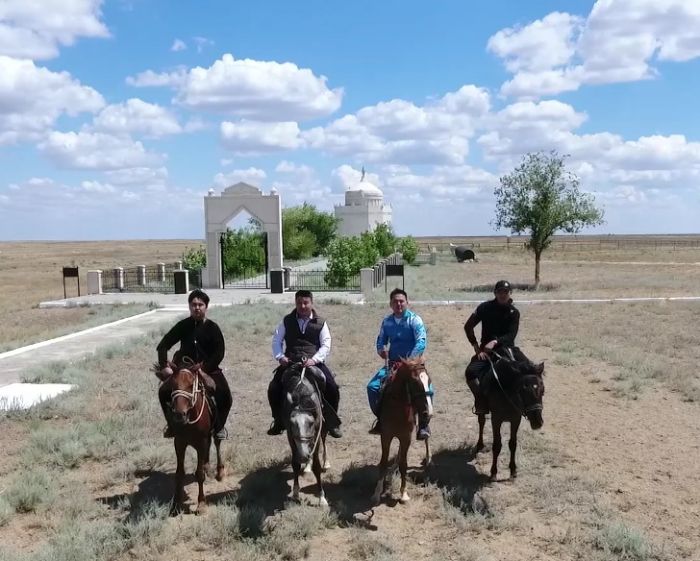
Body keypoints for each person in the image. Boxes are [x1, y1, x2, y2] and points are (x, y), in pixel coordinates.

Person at [155, 289, 232, 440]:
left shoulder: (213, 328)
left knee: (225, 395)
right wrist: (164, 366)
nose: (197, 307)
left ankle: (219, 428)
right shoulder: (182, 326)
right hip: (183, 370)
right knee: (163, 392)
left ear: (206, 307)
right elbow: (163, 345)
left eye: (200, 305)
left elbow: (219, 352)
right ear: (189, 306)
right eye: (193, 304)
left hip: (208, 369)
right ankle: (171, 425)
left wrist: (204, 368)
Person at [267, 290, 342, 438]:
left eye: (305, 302)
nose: (302, 306)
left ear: (311, 303)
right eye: (299, 302)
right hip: (291, 362)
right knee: (273, 388)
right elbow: (277, 341)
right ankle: (278, 421)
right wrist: (280, 357)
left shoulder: (321, 322)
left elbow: (326, 344)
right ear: (295, 303)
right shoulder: (287, 321)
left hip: (314, 362)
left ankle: (332, 423)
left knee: (332, 387)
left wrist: (314, 360)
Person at [367, 288, 433, 440]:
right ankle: (381, 419)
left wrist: (409, 360)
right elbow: (381, 339)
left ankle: (424, 423)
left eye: (402, 301)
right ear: (390, 304)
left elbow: (421, 341)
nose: (399, 304)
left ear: (407, 303)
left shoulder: (415, 320)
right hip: (393, 365)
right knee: (372, 387)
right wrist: (380, 349)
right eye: (395, 301)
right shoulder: (387, 322)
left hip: (413, 365)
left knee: (428, 388)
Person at [464, 280, 528, 415]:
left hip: (507, 348)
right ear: (495, 293)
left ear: (510, 293)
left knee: (530, 369)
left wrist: (495, 341)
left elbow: (511, 335)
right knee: (470, 372)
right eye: (500, 292)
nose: (503, 294)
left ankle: (529, 405)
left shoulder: (514, 312)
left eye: (506, 292)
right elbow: (468, 326)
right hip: (486, 351)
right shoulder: (484, 308)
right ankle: (481, 400)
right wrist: (476, 347)